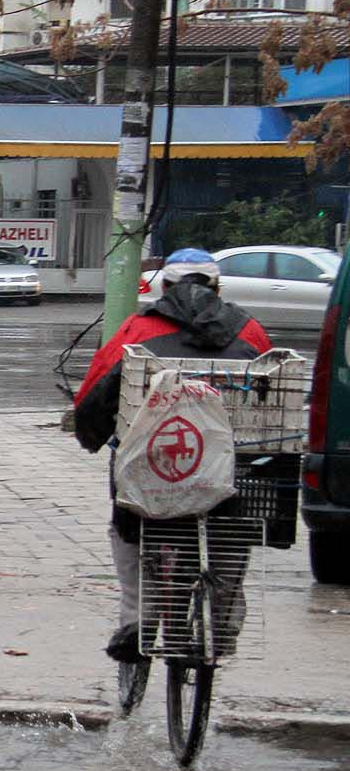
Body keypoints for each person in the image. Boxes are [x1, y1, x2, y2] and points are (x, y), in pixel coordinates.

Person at [72, 249, 271, 665]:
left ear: (164, 287)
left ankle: (136, 618)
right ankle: (224, 620)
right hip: (226, 472)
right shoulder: (250, 331)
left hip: (155, 470)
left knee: (126, 525)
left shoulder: (137, 328)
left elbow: (95, 393)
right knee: (235, 531)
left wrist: (91, 435)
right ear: (216, 286)